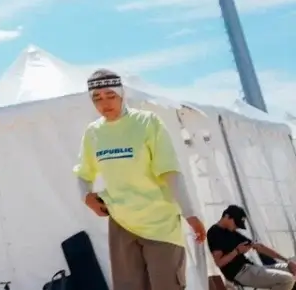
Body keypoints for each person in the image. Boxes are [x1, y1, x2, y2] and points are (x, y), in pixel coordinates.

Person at [74, 68, 207, 290]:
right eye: (97, 98)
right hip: (121, 222)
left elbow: (170, 171)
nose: (104, 104)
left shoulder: (147, 123)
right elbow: (83, 172)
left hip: (160, 222)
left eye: (110, 96)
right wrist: (85, 195)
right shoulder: (93, 132)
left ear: (122, 94)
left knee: (166, 285)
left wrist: (190, 213)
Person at [207, 204, 296, 289]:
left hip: (250, 268)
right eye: (236, 224)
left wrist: (287, 261)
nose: (237, 227)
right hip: (240, 273)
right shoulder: (214, 233)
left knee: (291, 269)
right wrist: (236, 252)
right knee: (287, 280)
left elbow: (260, 247)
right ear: (227, 216)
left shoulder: (232, 232)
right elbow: (219, 263)